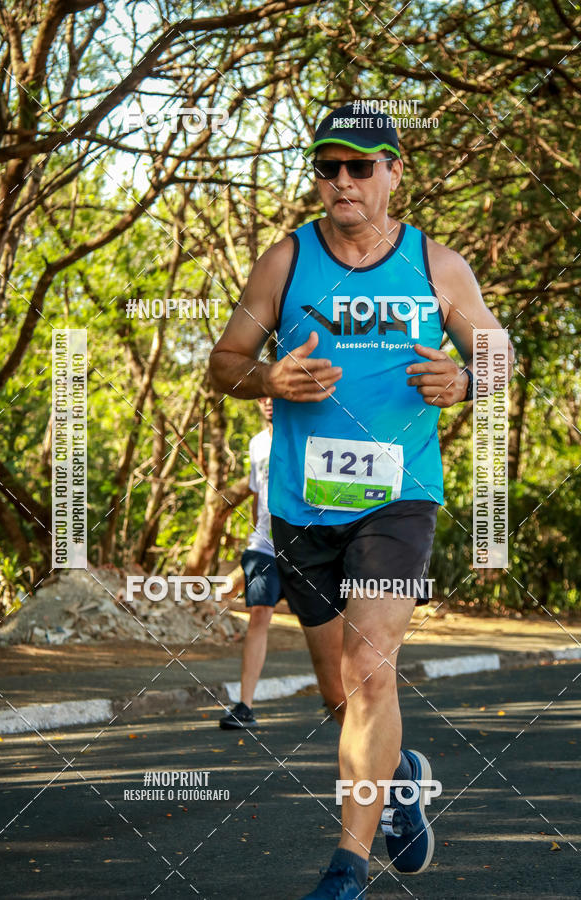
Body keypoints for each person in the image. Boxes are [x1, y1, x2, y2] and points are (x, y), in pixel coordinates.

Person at [209, 101, 514, 898]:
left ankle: (348, 866)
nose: (342, 181)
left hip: (399, 497)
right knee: (339, 692)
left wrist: (472, 380)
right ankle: (402, 770)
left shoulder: (436, 266)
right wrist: (266, 378)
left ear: (394, 173)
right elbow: (225, 361)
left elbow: (497, 351)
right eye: (328, 167)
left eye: (361, 166)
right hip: (303, 505)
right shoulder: (285, 262)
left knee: (373, 671)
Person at [219, 396, 283, 729]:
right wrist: (253, 537)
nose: (268, 402)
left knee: (329, 622)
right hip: (264, 546)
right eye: (263, 395)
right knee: (259, 615)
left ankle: (346, 700)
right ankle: (244, 705)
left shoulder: (303, 432)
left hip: (307, 546)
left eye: (275, 395)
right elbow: (258, 496)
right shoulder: (257, 443)